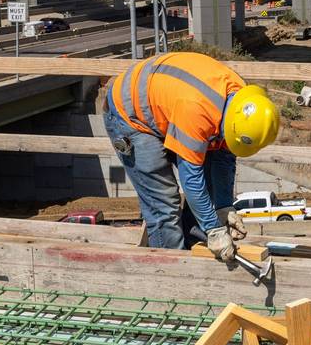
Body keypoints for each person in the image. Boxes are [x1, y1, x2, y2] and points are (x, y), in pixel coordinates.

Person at [100, 52, 280, 262]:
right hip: (131, 115)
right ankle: (172, 273)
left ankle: (196, 251)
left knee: (209, 193)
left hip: (167, 105)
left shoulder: (242, 101)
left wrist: (223, 207)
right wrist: (214, 228)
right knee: (164, 204)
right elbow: (192, 180)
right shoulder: (197, 113)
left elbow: (224, 156)